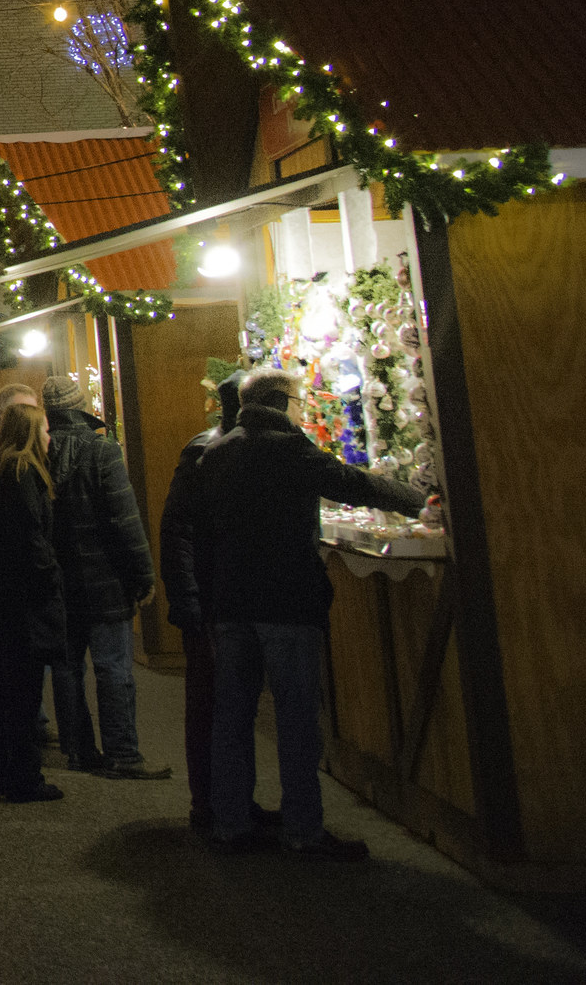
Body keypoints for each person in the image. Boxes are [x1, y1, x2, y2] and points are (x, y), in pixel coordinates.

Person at [197, 366, 429, 861]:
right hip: (285, 600)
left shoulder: (218, 450)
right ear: (283, 402)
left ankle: (231, 823)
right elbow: (352, 483)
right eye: (300, 402)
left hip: (231, 602)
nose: (303, 411)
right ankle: (303, 828)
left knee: (233, 715)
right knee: (297, 717)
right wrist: (422, 503)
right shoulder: (287, 449)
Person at [159, 376, 275, 833]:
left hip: (225, 595)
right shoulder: (209, 452)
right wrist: (187, 599)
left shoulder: (220, 449)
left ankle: (227, 802)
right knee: (212, 706)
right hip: (211, 599)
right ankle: (211, 804)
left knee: (226, 706)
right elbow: (179, 530)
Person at [39, 372, 163, 778]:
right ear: (80, 405)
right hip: (106, 580)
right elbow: (124, 518)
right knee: (113, 668)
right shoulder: (102, 450)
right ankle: (123, 754)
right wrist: (144, 575)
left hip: (57, 581)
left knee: (67, 668)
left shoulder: (37, 453)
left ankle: (79, 751)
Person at [0, 400, 67, 803]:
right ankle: (24, 778)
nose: (49, 437)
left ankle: (11, 774)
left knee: (7, 691)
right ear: (29, 434)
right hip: (20, 599)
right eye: (43, 430)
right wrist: (52, 578)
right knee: (22, 693)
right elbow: (30, 538)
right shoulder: (22, 473)